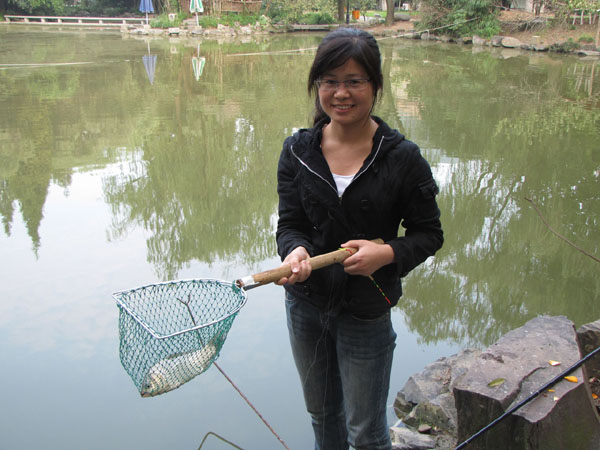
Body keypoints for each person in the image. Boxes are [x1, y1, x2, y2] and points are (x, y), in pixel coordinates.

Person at [275, 28, 443, 450]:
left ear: (375, 84)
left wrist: (385, 254)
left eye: (354, 81)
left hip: (366, 310)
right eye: (330, 81)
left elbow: (428, 235)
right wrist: (295, 250)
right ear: (317, 85)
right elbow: (290, 223)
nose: (341, 93)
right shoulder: (297, 151)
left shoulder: (403, 158)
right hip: (306, 306)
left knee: (366, 434)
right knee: (322, 416)